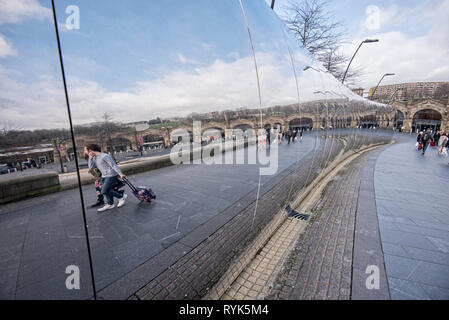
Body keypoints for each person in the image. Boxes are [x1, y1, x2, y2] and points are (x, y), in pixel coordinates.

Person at [86, 143, 127, 212]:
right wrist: (90, 158)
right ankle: (110, 204)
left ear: (91, 150)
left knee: (104, 191)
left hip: (111, 175)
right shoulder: (94, 158)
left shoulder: (104, 156)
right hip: (104, 176)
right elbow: (91, 168)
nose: (87, 152)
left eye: (88, 151)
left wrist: (120, 174)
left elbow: (113, 165)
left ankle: (121, 197)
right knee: (106, 190)